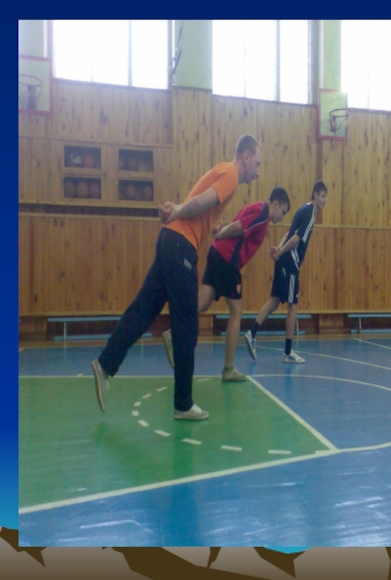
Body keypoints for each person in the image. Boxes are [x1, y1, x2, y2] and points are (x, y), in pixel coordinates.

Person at [91, 134, 262, 420]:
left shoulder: (223, 171)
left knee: (144, 309)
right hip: (180, 244)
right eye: (257, 163)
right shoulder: (231, 175)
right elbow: (200, 201)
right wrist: (178, 211)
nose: (257, 172)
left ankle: (105, 365)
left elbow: (203, 207)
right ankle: (183, 404)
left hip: (170, 241)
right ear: (245, 156)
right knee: (187, 322)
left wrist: (203, 223)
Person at [162, 186, 291, 381]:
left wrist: (221, 233)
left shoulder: (259, 212)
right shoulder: (263, 212)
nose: (282, 218)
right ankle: (228, 369)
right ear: (276, 204)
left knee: (202, 303)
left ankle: (173, 333)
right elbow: (239, 227)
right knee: (236, 312)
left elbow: (238, 226)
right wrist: (221, 234)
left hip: (217, 253)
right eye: (283, 212)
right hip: (227, 259)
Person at [244, 180, 328, 364]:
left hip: (284, 259)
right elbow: (296, 238)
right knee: (293, 305)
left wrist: (278, 250)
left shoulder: (302, 209)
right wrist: (281, 251)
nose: (324, 200)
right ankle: (288, 352)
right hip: (291, 263)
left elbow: (287, 234)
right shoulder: (310, 215)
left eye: (325, 197)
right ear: (315, 194)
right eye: (322, 196)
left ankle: (252, 333)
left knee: (275, 301)